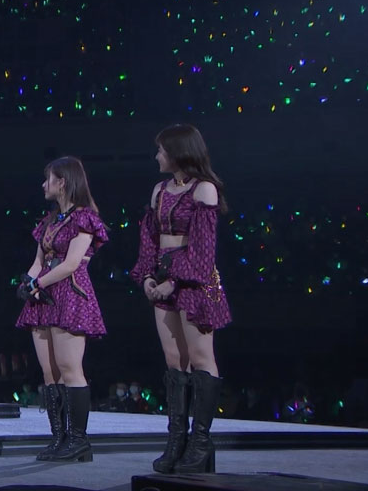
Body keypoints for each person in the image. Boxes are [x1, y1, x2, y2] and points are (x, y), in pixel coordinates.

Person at [131, 123, 231, 474]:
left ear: (177, 152)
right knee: (175, 361)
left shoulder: (204, 189)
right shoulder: (159, 190)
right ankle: (177, 439)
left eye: (161, 150)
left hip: (195, 282)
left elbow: (203, 251)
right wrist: (147, 276)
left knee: (201, 358)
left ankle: (200, 442)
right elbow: (149, 240)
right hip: (162, 279)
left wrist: (174, 282)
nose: (157, 156)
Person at [16, 156, 108, 462]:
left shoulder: (85, 218)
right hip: (42, 296)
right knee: (50, 371)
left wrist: (38, 283)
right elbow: (39, 260)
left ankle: (79, 441)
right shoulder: (50, 220)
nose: (44, 184)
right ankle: (59, 438)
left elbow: (71, 264)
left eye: (48, 179)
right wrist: (28, 282)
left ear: (63, 182)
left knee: (70, 368)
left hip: (69, 293)